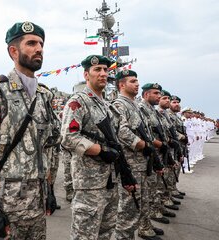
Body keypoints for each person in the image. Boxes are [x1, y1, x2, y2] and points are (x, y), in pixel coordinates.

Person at [0, 21, 59, 239]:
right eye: (31, 43)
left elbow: (46, 147)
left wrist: (49, 189)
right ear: (13, 51)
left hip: (37, 203)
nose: (39, 48)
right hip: (6, 204)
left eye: (41, 43)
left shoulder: (45, 95)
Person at [61, 55, 136, 239]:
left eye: (105, 70)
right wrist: (99, 150)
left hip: (111, 180)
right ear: (87, 74)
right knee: (84, 234)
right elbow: (68, 137)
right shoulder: (78, 101)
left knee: (106, 231)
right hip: (89, 183)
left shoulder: (107, 106)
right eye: (97, 70)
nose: (103, 74)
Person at [113, 70, 162, 240]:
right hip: (131, 164)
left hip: (141, 164)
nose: (137, 84)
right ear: (122, 85)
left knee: (141, 202)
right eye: (133, 81)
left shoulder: (134, 105)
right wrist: (142, 145)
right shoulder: (119, 105)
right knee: (128, 208)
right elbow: (122, 131)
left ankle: (143, 228)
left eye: (137, 81)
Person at [138, 83, 172, 231]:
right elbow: (144, 135)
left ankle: (148, 221)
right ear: (146, 95)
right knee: (148, 192)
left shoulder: (152, 111)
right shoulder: (141, 109)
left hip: (153, 155)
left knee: (151, 190)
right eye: (156, 93)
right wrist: (157, 145)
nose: (159, 96)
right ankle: (145, 224)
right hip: (144, 155)